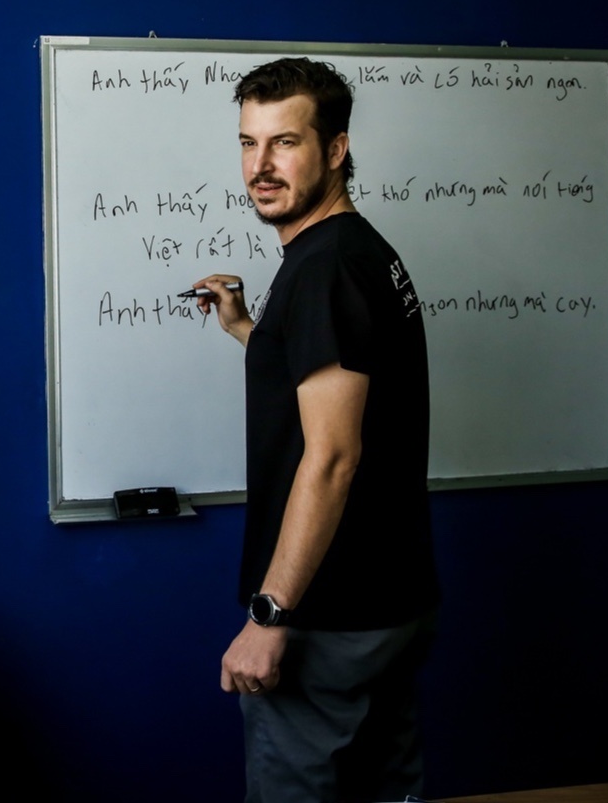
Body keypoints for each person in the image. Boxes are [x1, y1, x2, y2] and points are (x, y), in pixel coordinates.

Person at [194, 57, 439, 803]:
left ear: (335, 149)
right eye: (248, 143)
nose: (260, 166)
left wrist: (271, 615)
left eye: (285, 142)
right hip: (387, 601)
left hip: (325, 615)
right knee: (384, 788)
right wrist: (249, 331)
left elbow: (332, 455)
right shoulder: (359, 251)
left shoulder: (325, 268)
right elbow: (328, 385)